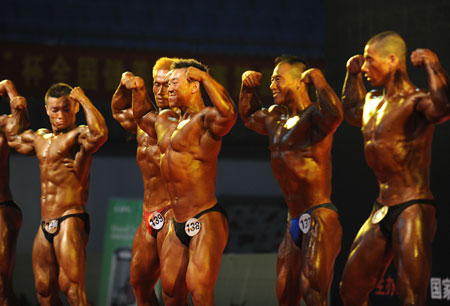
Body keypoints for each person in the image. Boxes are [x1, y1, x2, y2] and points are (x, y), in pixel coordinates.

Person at [339, 31, 450, 306]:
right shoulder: (372, 102)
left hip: (413, 205)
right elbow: (351, 110)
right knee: (349, 290)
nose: (364, 67)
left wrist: (433, 65)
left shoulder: (416, 101)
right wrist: (350, 76)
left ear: (391, 60)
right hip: (382, 206)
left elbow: (443, 108)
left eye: (369, 61)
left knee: (411, 297)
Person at [238, 55, 343, 305]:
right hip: (293, 219)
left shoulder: (315, 117)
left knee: (312, 292)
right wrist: (245, 86)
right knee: (285, 294)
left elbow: (336, 116)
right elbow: (249, 116)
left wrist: (319, 80)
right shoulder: (275, 118)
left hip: (319, 216)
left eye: (277, 80)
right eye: (272, 81)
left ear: (299, 82)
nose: (272, 86)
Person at [133, 58, 237, 306]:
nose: (167, 89)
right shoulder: (165, 122)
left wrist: (206, 78)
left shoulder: (206, 120)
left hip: (205, 217)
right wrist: (136, 89)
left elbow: (229, 114)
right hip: (176, 222)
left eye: (174, 83)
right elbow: (141, 114)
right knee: (170, 294)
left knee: (199, 292)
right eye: (166, 83)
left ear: (193, 86)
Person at [6, 83, 108, 306]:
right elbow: (13, 137)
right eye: (55, 110)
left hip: (70, 218)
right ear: (46, 110)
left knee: (72, 290)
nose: (61, 115)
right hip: (46, 223)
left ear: (74, 109)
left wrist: (84, 99)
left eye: (66, 108)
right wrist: (14, 98)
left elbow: (99, 134)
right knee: (43, 291)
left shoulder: (78, 136)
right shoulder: (40, 138)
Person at [111, 57, 175, 306]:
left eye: (166, 85)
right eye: (155, 85)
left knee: (173, 292)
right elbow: (117, 111)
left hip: (174, 213)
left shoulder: (185, 125)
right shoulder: (143, 121)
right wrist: (124, 84)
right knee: (139, 284)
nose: (160, 91)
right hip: (148, 213)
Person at [0, 80, 29, 306]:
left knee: (1, 285)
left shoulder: (2, 126)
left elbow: (21, 127)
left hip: (1, 211)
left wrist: (9, 87)